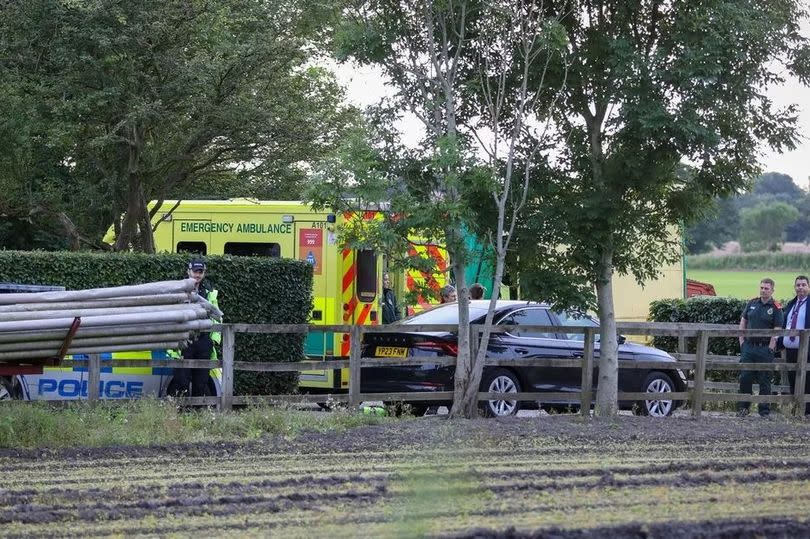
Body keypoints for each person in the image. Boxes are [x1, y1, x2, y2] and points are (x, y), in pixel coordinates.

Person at [170, 258, 221, 398]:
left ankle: (197, 416)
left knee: (201, 383)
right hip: (183, 340)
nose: (197, 275)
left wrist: (213, 341)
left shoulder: (210, 292)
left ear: (204, 273)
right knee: (181, 382)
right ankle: (182, 416)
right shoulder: (178, 289)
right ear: (188, 272)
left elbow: (218, 316)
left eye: (200, 272)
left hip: (203, 341)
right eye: (195, 272)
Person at [737, 277, 783, 417]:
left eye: (766, 288)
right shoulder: (752, 303)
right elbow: (743, 322)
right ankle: (743, 408)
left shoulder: (776, 307)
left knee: (765, 380)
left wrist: (770, 347)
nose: (763, 290)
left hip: (764, 349)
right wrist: (742, 342)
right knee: (745, 378)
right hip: (749, 347)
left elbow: (777, 329)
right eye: (762, 288)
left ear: (772, 290)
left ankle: (764, 411)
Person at [778, 275, 810, 414]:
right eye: (798, 285)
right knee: (792, 380)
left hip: (806, 349)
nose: (800, 287)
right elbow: (786, 324)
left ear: (808, 287)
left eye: (803, 285)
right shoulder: (791, 303)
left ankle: (807, 412)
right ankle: (795, 410)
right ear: (795, 287)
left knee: (807, 380)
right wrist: (780, 343)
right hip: (790, 349)